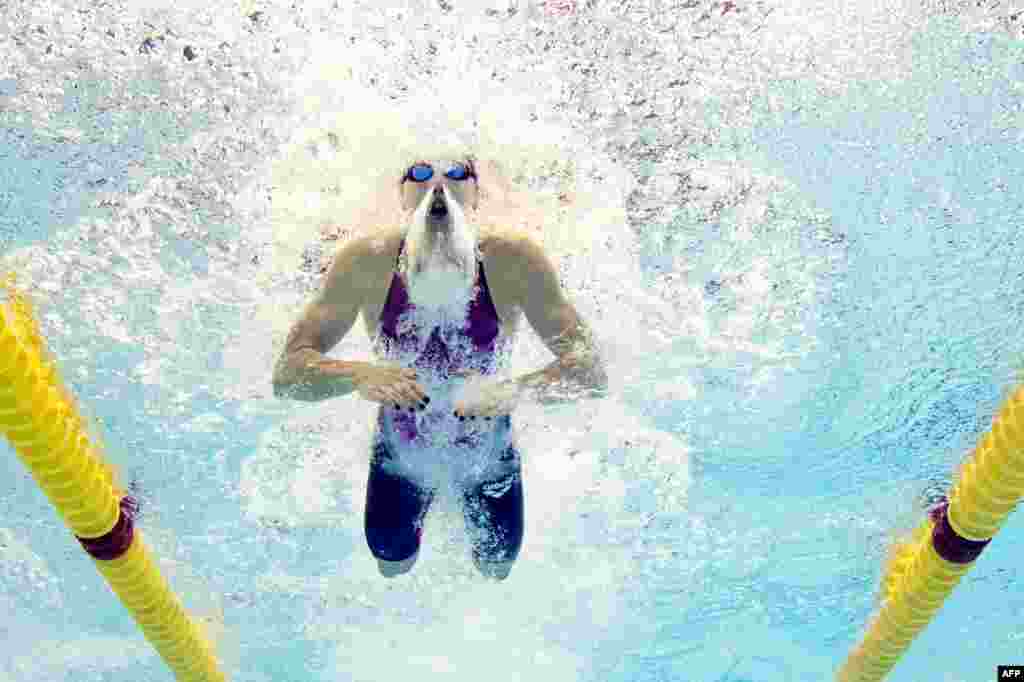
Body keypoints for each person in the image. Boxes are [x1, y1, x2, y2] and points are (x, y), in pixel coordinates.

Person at [272, 158, 607, 580]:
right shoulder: (365, 260)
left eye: (456, 171)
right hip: (401, 450)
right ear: (401, 192)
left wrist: (515, 390)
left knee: (497, 567)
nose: (438, 184)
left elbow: (590, 372)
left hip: (487, 450)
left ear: (477, 192)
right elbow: (287, 374)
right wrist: (360, 375)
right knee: (391, 561)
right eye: (419, 171)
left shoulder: (513, 258)